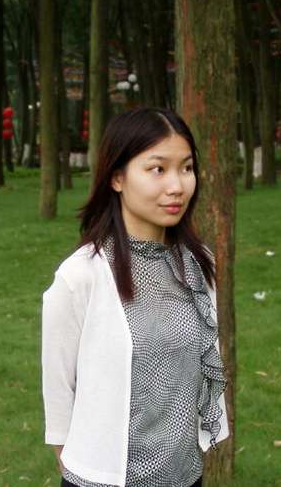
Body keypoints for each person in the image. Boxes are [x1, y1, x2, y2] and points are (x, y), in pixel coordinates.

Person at [41, 107, 229, 487]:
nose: (177, 186)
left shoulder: (198, 266)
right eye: (158, 169)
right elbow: (58, 394)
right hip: (102, 479)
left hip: (184, 475)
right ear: (117, 177)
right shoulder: (81, 276)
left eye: (186, 168)